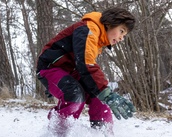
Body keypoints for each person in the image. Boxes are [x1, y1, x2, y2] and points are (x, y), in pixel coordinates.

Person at [36, 7, 136, 135]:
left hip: (71, 72)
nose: (122, 38)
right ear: (110, 23)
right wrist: (106, 92)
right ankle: (58, 132)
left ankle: (102, 132)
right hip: (51, 68)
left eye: (124, 35)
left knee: (98, 95)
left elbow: (84, 68)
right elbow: (85, 63)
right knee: (75, 95)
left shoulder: (98, 38)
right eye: (121, 31)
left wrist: (102, 92)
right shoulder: (88, 29)